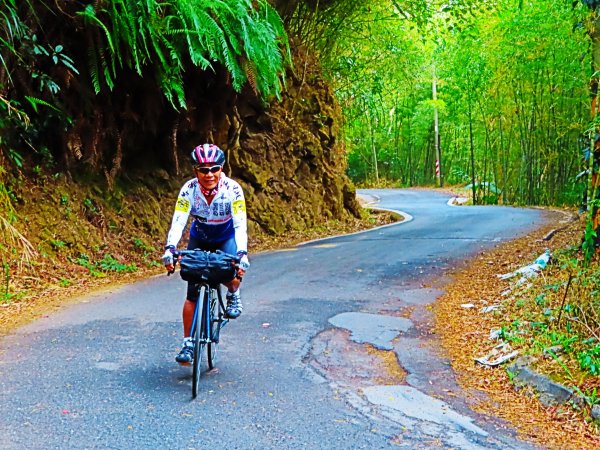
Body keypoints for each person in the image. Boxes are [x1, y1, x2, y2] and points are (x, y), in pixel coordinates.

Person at [162, 143, 250, 365]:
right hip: (199, 237)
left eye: (214, 168)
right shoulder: (188, 190)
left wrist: (242, 253)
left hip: (225, 237)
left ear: (221, 169)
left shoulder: (233, 190)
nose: (209, 174)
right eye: (203, 169)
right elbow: (179, 220)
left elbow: (240, 224)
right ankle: (188, 343)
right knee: (192, 292)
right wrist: (170, 248)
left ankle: (233, 294)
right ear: (195, 171)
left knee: (232, 273)